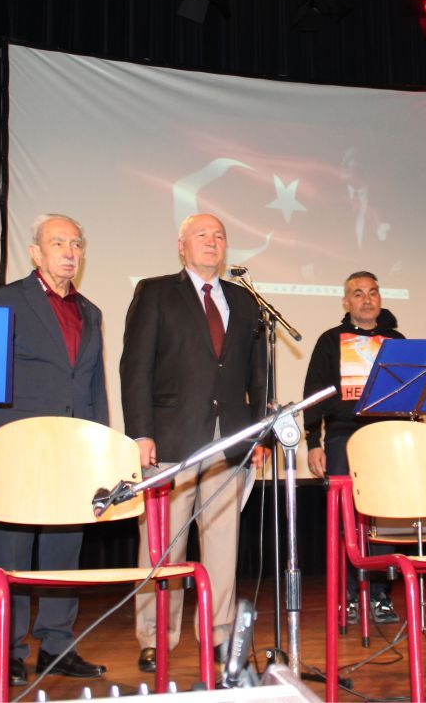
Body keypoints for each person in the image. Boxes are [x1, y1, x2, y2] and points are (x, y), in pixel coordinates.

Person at [120, 213, 267, 674]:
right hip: (171, 438)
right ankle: (155, 637)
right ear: (181, 246)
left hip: (230, 439)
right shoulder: (155, 292)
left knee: (223, 544)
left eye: (219, 235)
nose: (212, 241)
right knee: (163, 544)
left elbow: (258, 373)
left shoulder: (244, 301)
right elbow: (135, 366)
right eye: (201, 235)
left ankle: (219, 635)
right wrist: (140, 432)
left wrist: (259, 431)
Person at [0, 213, 110, 686]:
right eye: (58, 243)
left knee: (63, 553)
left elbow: (93, 386)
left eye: (76, 243)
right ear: (35, 253)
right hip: (17, 449)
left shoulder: (91, 311)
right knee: (10, 554)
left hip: (73, 451)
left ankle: (57, 646)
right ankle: (7, 649)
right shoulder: (3, 300)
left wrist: (101, 451)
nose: (70, 252)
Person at [302, 271, 405, 624]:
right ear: (346, 302)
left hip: (387, 436)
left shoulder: (396, 341)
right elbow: (314, 395)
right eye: (358, 293)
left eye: (373, 292)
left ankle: (379, 596)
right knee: (346, 520)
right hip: (342, 437)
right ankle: (347, 595)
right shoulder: (330, 340)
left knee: (384, 519)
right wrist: (313, 441)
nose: (367, 299)